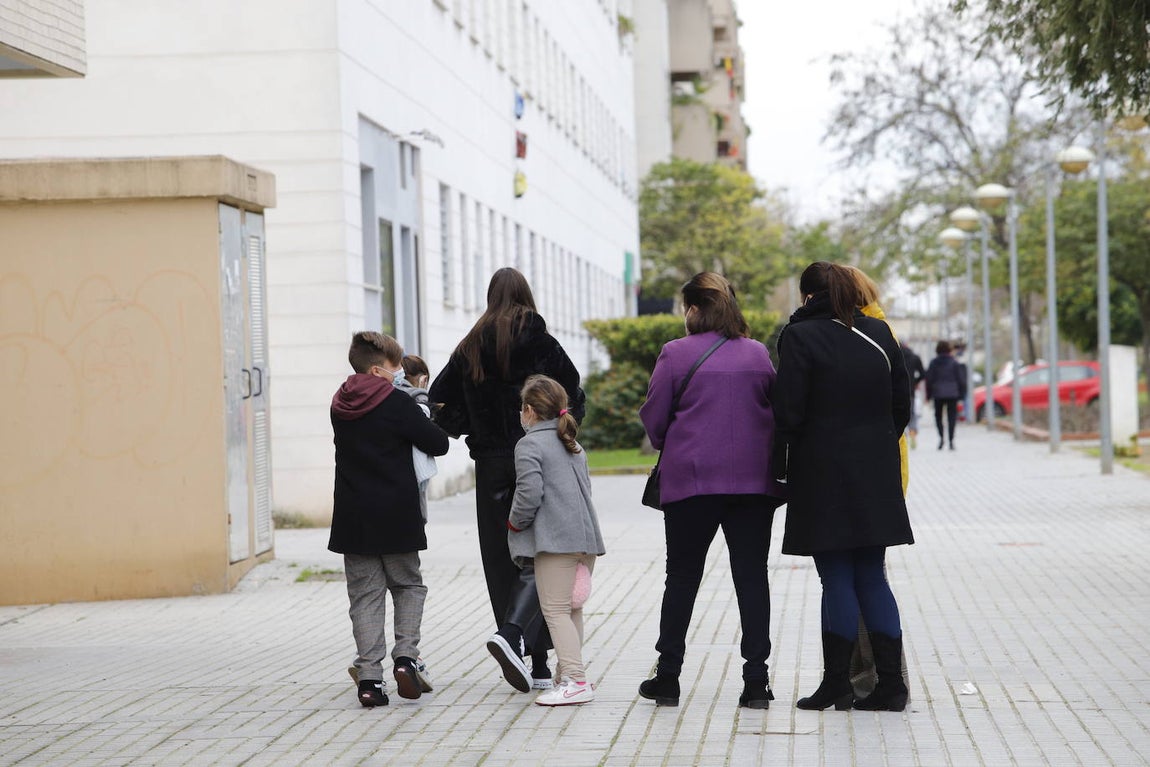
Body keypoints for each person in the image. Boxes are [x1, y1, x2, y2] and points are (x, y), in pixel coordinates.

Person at [428, 267, 585, 693]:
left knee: (502, 558)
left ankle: (513, 640)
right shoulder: (542, 342)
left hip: (493, 464)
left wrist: (467, 426)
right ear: (526, 295)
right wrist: (559, 432)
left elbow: (440, 400)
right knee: (543, 555)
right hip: (540, 458)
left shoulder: (470, 347)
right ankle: (537, 656)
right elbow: (574, 396)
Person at [637, 272, 786, 710]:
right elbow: (776, 412)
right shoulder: (758, 354)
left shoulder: (674, 354)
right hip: (753, 485)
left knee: (682, 577)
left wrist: (677, 440)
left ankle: (668, 677)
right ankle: (756, 682)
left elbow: (655, 418)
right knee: (752, 578)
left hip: (692, 482)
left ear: (696, 308)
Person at [773, 261, 913, 712]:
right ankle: (892, 686)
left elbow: (789, 412)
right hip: (876, 470)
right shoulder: (880, 334)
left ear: (807, 296)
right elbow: (902, 405)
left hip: (822, 471)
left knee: (835, 577)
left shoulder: (798, 337)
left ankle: (837, 683)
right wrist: (872, 443)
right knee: (872, 575)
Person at [329, 332, 450, 707]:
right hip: (396, 514)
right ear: (379, 370)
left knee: (364, 598)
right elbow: (439, 443)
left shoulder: (339, 403)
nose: (401, 372)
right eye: (396, 366)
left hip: (353, 517)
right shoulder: (396, 403)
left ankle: (369, 680)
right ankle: (406, 658)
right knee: (408, 586)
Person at [507, 375, 606, 706]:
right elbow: (586, 490)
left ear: (530, 411)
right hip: (584, 538)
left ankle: (576, 680)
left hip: (554, 541)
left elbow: (529, 493)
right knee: (572, 608)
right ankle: (567, 675)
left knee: (555, 611)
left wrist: (514, 522)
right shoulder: (572, 443)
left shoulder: (530, 444)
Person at [396, 354, 437, 520]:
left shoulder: (388, 394)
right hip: (412, 471)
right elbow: (432, 439)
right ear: (423, 379)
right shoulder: (419, 397)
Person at [925, 340, 966, 450]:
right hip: (952, 394)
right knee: (951, 417)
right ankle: (951, 441)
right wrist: (962, 395)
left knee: (938, 416)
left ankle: (941, 438)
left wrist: (928, 396)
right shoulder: (954, 362)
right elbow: (961, 380)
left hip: (938, 393)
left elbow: (929, 380)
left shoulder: (933, 363)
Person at [900, 342, 926, 448]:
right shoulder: (915, 357)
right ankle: (913, 434)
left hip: (895, 390)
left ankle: (902, 437)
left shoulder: (895, 355)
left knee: (897, 413)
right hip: (910, 390)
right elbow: (923, 374)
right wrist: (915, 382)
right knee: (912, 413)